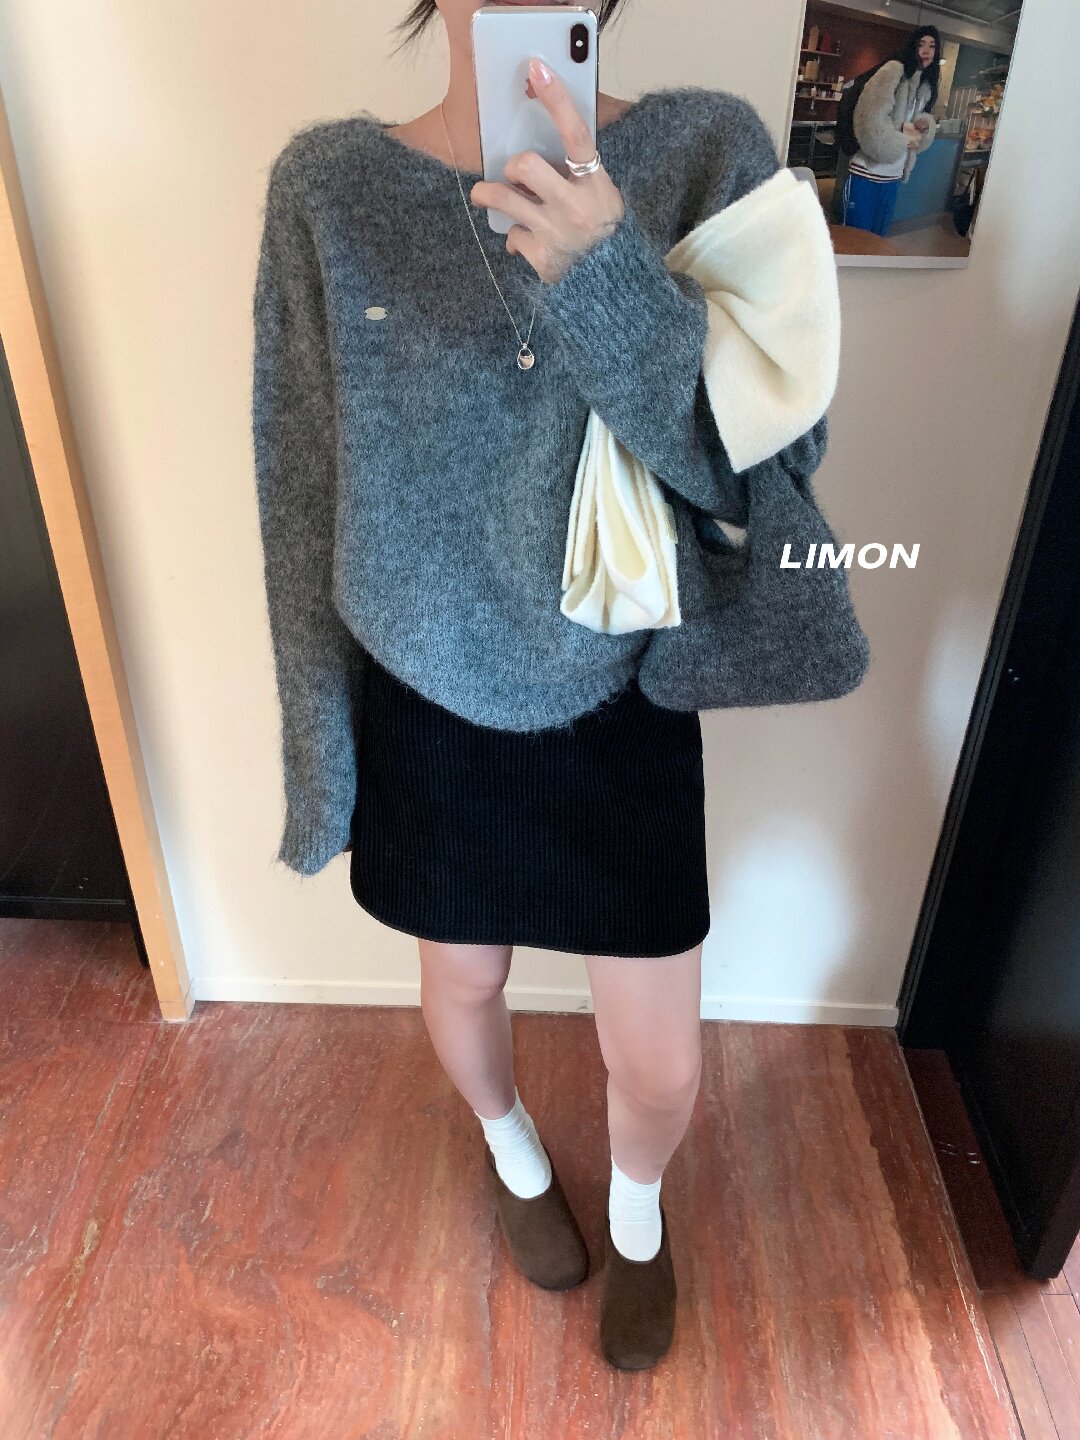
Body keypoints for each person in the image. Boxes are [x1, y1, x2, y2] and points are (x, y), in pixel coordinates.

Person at [251, 0, 818, 1372]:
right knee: (460, 989)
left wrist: (610, 274)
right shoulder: (329, 190)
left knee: (661, 1062)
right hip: (425, 688)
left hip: (623, 690)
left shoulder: (705, 154)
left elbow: (765, 480)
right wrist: (319, 753)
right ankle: (512, 1157)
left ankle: (638, 1218)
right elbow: (301, 486)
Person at [841, 25, 941, 237]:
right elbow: (869, 118)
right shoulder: (894, 70)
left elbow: (910, 134)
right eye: (921, 44)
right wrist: (896, 143)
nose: (926, 50)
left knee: (878, 241)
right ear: (912, 47)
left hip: (893, 176)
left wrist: (923, 126)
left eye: (932, 46)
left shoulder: (926, 88)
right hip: (866, 172)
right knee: (855, 240)